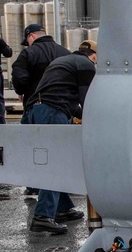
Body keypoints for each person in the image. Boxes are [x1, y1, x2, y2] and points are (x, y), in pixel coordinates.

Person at [24, 44, 97, 234]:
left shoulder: (62, 62)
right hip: (52, 112)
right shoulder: (86, 65)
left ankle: (62, 208)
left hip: (35, 111)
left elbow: (72, 103)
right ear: (94, 56)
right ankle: (43, 216)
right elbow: (88, 101)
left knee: (55, 161)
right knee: (56, 163)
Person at [11, 23, 70, 108]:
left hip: (36, 104)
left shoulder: (28, 53)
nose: (28, 45)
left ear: (32, 36)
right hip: (63, 105)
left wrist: (20, 91)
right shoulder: (65, 53)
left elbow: (19, 77)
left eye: (27, 42)